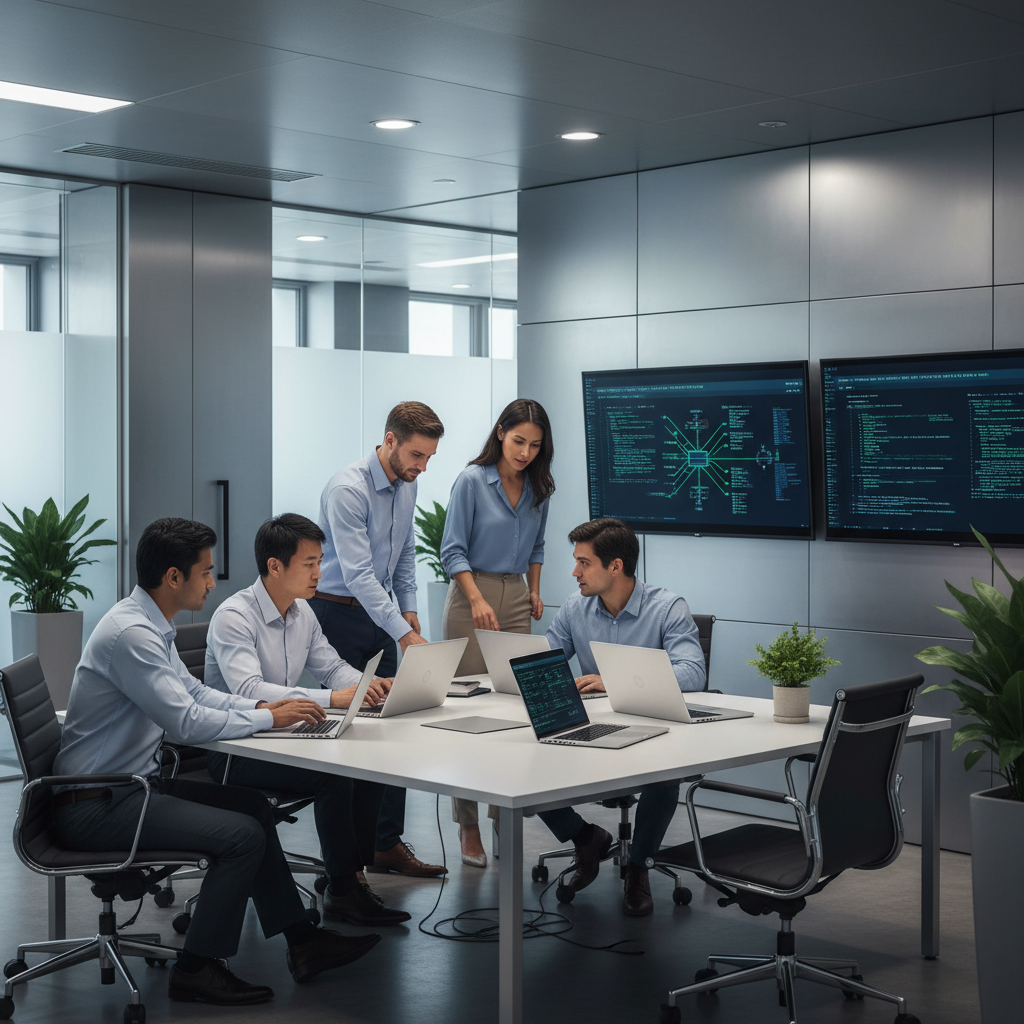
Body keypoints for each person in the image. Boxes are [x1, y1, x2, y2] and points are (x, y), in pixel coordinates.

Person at [52, 518, 381, 1008]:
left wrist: (263, 711)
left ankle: (303, 942)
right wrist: (266, 720)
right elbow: (185, 723)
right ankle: (195, 968)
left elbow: (196, 693)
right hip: (99, 802)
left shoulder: (148, 624)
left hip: (129, 787)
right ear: (173, 577)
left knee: (251, 808)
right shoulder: (133, 635)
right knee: (241, 836)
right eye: (204, 572)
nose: (212, 581)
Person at [205, 512, 410, 927]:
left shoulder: (302, 612)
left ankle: (352, 874)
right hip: (233, 747)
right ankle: (343, 889)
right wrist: (333, 697)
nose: (320, 572)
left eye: (320, 561)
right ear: (275, 567)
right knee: (333, 775)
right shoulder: (234, 616)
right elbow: (249, 690)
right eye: (310, 564)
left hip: (280, 736)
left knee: (372, 760)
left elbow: (332, 667)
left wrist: (368, 685)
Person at [536, 517, 705, 916]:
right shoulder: (576, 608)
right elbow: (546, 662)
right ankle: (583, 836)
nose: (574, 572)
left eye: (583, 562)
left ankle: (639, 865)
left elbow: (693, 673)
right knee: (528, 760)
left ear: (615, 566)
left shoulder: (667, 608)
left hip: (654, 732)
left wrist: (612, 681)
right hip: (593, 730)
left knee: (663, 778)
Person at [310, 401, 447, 878]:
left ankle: (384, 844)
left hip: (382, 614)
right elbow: (359, 575)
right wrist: (405, 632)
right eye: (416, 455)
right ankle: (344, 869)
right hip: (337, 612)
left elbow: (405, 552)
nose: (422, 466)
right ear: (389, 440)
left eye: (429, 457)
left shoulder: (407, 483)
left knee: (392, 724)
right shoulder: (347, 489)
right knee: (350, 732)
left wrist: (409, 613)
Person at [439, 398, 554, 867]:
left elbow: (539, 544)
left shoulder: (538, 486)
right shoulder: (471, 481)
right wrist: (477, 597)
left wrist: (536, 590)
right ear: (501, 432)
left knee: (513, 706)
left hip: (516, 597)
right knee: (470, 715)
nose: (525, 452)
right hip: (472, 596)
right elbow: (451, 550)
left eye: (535, 445)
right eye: (518, 441)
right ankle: (468, 826)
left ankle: (502, 811)